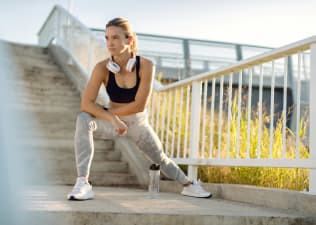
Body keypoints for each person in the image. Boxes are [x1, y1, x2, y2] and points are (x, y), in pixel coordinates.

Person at [67, 17, 212, 200]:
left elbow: (139, 105)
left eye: (115, 38)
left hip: (137, 122)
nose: (110, 43)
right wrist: (112, 119)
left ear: (129, 40)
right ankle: (83, 183)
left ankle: (188, 185)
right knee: (83, 119)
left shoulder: (146, 66)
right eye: (107, 38)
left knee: (160, 157)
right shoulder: (102, 68)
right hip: (113, 121)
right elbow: (86, 104)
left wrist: (109, 114)